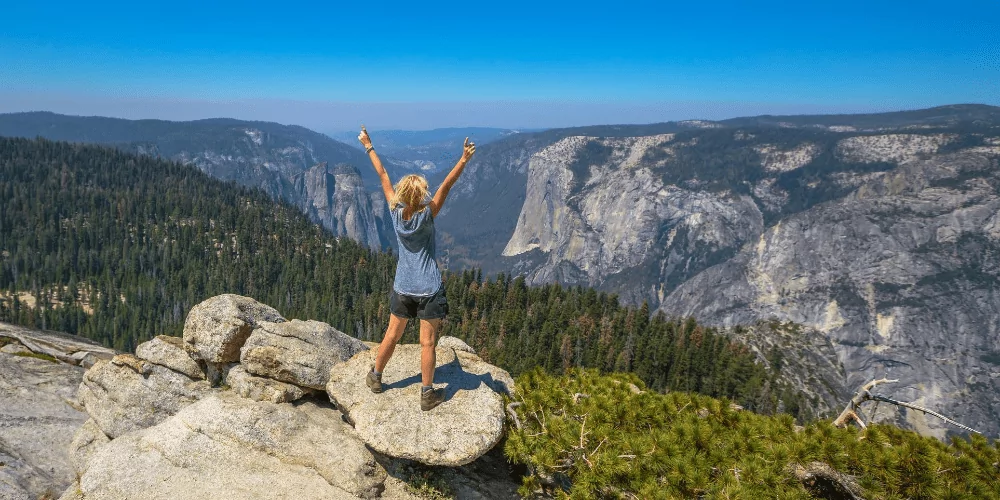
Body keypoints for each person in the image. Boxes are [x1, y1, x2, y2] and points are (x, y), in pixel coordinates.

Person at [358, 125, 476, 411]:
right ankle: (426, 394)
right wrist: (463, 160)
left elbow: (383, 175)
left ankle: (376, 376)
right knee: (427, 344)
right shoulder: (427, 215)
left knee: (391, 335)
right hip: (429, 289)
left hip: (403, 287)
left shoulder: (395, 213)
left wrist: (368, 145)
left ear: (401, 193)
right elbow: (447, 185)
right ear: (421, 194)